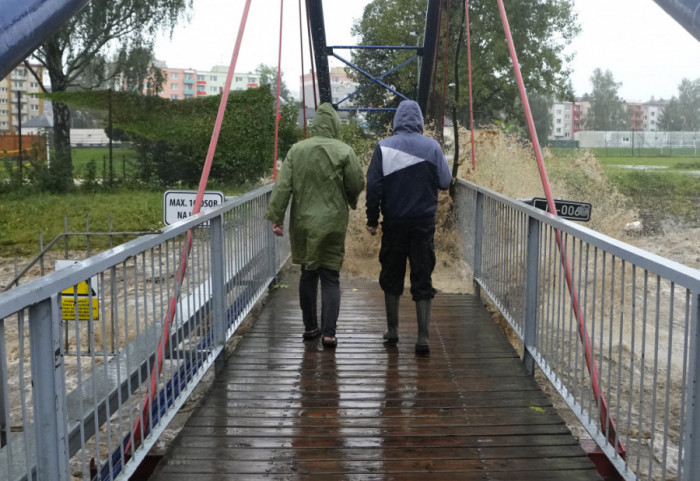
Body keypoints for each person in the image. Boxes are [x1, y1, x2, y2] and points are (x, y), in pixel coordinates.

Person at [265, 103, 365, 348]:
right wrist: (350, 200)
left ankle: (310, 327)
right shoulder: (344, 151)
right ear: (334, 125)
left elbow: (283, 186)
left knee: (308, 273)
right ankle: (329, 333)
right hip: (333, 222)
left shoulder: (296, 150)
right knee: (330, 276)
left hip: (304, 223)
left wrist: (277, 217)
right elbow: (356, 183)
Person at [365, 99, 452, 354]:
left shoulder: (383, 148)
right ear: (420, 121)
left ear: (396, 121)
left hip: (393, 223)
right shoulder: (433, 147)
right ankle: (423, 338)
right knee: (422, 275)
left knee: (391, 275)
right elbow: (445, 182)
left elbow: (374, 188)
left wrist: (372, 220)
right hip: (424, 224)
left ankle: (392, 331)